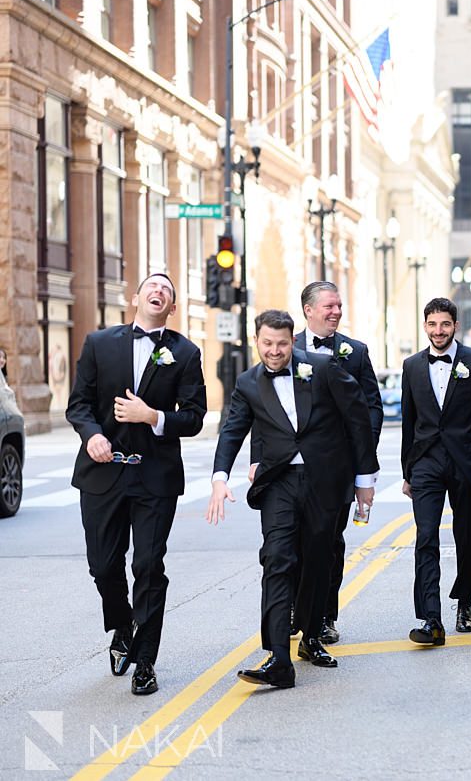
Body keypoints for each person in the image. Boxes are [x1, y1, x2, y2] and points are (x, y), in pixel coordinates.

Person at [206, 310, 377, 689]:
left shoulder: (324, 368)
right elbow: (233, 430)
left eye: (282, 343)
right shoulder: (249, 382)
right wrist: (220, 478)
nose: (274, 351)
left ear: (292, 340)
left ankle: (312, 637)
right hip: (279, 481)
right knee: (278, 560)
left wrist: (365, 479)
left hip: (324, 481)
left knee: (318, 560)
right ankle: (279, 657)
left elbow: (358, 418)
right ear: (257, 341)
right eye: (267, 343)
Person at [66, 273, 207, 695]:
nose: (159, 291)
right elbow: (79, 404)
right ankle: (121, 625)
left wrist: (154, 417)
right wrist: (91, 434)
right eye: (153, 285)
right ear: (136, 297)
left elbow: (195, 417)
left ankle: (145, 660)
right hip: (102, 474)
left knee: (148, 566)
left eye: (167, 289)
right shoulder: (98, 343)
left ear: (172, 307)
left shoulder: (185, 352)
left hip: (154, 477)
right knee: (103, 565)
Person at [250, 281, 384, 645]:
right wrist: (257, 458)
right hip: (286, 469)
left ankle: (324, 615)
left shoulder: (354, 352)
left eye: (339, 306)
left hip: (334, 469)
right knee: (286, 546)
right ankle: (294, 610)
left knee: (328, 544)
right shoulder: (280, 347)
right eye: (328, 306)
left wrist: (362, 460)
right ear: (307, 310)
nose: (335, 312)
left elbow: (369, 407)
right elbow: (265, 409)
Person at [401, 298, 471, 644]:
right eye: (432, 324)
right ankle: (431, 618)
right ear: (424, 326)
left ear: (455, 326)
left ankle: (463, 601)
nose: (438, 331)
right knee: (426, 536)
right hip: (426, 464)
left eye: (444, 324)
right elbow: (409, 422)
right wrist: (407, 471)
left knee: (466, 535)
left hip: (468, 463)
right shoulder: (412, 366)